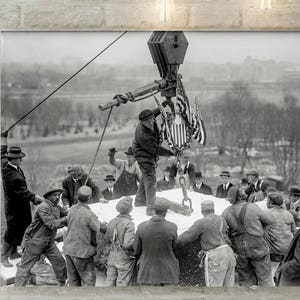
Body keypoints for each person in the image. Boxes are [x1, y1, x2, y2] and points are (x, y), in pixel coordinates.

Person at [14, 185, 68, 286]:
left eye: (58, 195)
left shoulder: (56, 206)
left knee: (60, 263)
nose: (57, 197)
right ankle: (17, 291)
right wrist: (66, 218)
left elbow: (64, 213)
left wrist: (71, 210)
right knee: (24, 268)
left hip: (48, 243)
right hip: (35, 242)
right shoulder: (43, 207)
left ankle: (62, 286)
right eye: (54, 195)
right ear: (48, 197)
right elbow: (52, 224)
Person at [1, 146, 44, 268]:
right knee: (12, 230)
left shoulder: (7, 166)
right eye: (20, 158)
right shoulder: (13, 176)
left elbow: (2, 154)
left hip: (16, 205)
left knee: (20, 228)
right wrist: (37, 198)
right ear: (13, 160)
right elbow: (24, 193)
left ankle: (13, 253)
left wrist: (4, 139)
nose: (22, 160)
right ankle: (3, 256)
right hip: (16, 208)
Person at [222, 186, 273, 287]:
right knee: (265, 278)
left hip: (240, 249)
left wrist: (231, 245)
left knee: (246, 281)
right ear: (241, 196)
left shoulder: (226, 212)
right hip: (258, 247)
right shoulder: (253, 207)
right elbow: (268, 221)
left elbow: (222, 232)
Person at [178, 200, 236, 287]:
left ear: (202, 211)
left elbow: (186, 237)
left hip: (216, 255)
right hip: (229, 252)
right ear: (213, 209)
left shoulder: (201, 222)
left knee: (214, 289)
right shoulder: (221, 219)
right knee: (229, 287)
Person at [132, 108, 174, 216]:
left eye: (152, 119)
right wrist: (170, 153)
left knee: (146, 177)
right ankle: (150, 209)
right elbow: (155, 149)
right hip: (143, 156)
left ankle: (140, 200)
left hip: (148, 154)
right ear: (143, 122)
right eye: (148, 121)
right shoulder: (142, 135)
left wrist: (163, 105)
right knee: (151, 180)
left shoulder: (150, 118)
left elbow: (155, 112)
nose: (151, 122)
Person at [63, 186, 107, 286]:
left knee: (73, 281)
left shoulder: (72, 209)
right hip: (82, 253)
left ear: (77, 197)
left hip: (68, 250)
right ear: (90, 198)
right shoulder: (89, 214)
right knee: (88, 281)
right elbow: (100, 229)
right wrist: (109, 225)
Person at [133, 197, 179, 286]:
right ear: (166, 212)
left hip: (147, 273)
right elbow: (174, 248)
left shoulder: (142, 227)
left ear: (153, 210)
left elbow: (136, 250)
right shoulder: (172, 227)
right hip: (168, 272)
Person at [263, 193, 296, 285]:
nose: (266, 203)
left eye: (267, 201)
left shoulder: (266, 214)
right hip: (287, 251)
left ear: (271, 202)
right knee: (278, 274)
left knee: (268, 275)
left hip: (273, 251)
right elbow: (294, 232)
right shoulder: (289, 214)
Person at [105, 197, 136, 286]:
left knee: (109, 281)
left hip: (112, 255)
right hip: (123, 257)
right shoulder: (129, 223)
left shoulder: (111, 221)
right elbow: (127, 244)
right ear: (130, 209)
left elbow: (107, 239)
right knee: (122, 283)